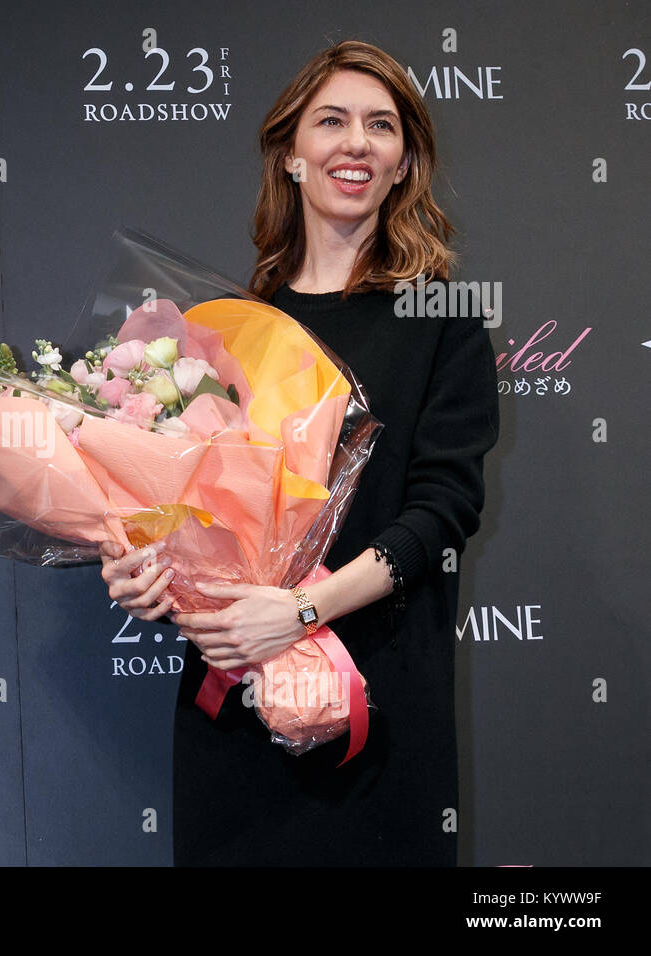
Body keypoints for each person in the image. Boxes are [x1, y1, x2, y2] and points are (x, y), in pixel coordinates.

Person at [101, 40, 499, 865]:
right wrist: (143, 568)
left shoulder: (444, 315)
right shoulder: (224, 332)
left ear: (402, 163)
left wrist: (302, 611)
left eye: (381, 127)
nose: (356, 143)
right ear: (292, 154)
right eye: (333, 121)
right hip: (233, 703)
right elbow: (182, 515)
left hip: (379, 706)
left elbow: (444, 510)